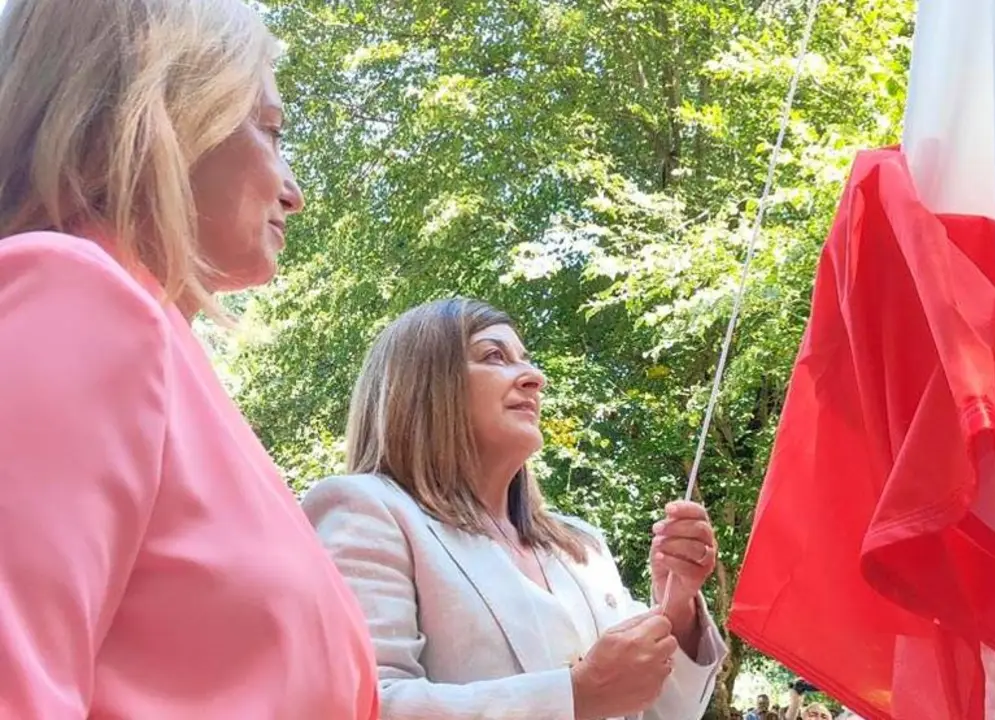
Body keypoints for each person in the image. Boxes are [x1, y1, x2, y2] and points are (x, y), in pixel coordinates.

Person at [0, 1, 378, 717]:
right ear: (162, 110)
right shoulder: (69, 295)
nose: (293, 194)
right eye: (270, 130)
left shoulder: (170, 357)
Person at [303, 298, 729, 719]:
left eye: (526, 359)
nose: (534, 377)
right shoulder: (367, 510)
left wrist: (677, 606)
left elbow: (661, 712)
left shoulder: (582, 546)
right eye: (494, 355)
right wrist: (576, 696)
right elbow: (366, 704)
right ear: (425, 387)